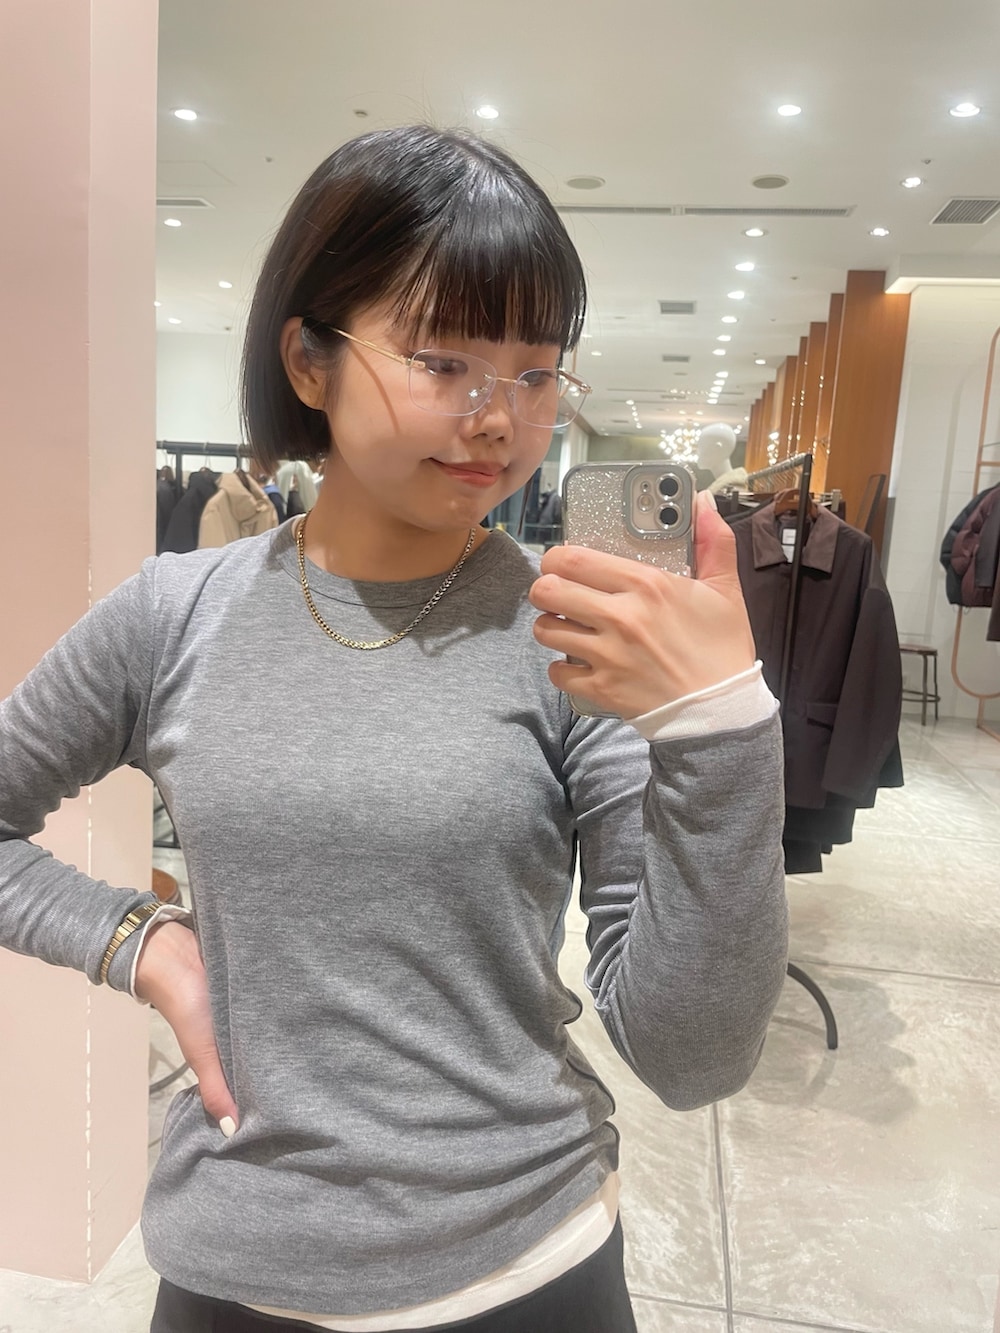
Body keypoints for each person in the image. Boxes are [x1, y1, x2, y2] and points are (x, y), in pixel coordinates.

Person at [0, 125, 788, 1333]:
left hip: (530, 1262)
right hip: (237, 1260)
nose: (499, 419)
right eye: (444, 362)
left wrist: (718, 726)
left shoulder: (567, 639)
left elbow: (693, 1056)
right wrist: (143, 944)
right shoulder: (173, 615)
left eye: (536, 374)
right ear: (308, 362)